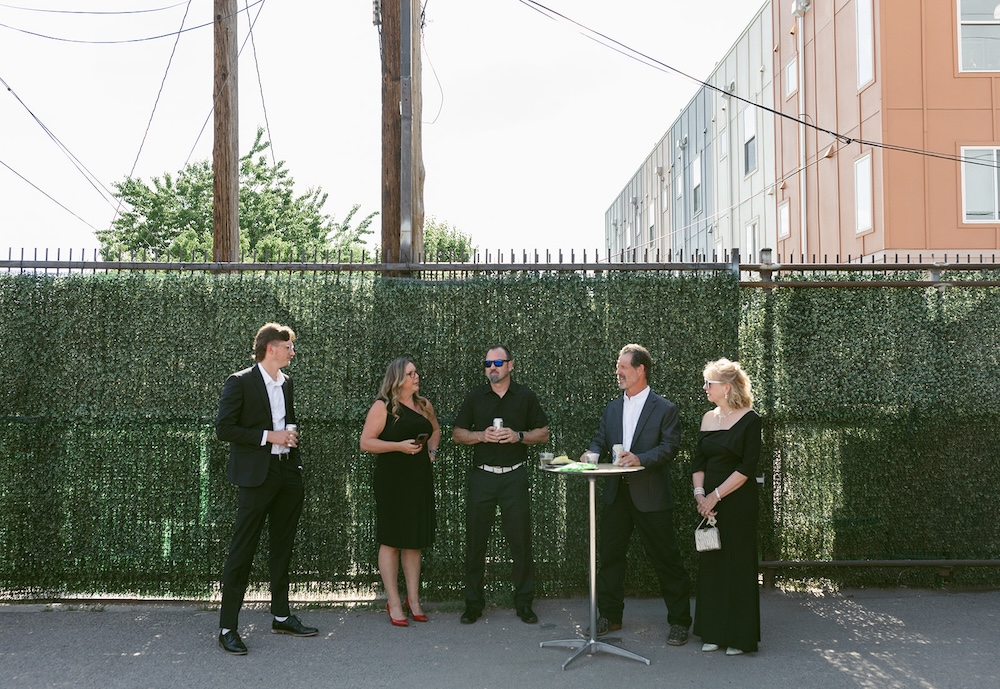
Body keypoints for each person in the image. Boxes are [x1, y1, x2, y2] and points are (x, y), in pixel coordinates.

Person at [215, 323, 318, 655]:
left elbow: (286, 423)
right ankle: (228, 627)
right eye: (288, 346)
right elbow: (224, 429)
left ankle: (281, 615)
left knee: (283, 548)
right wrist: (267, 437)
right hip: (256, 477)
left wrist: (290, 447)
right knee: (242, 550)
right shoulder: (240, 381)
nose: (293, 351)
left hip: (287, 473)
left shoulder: (287, 383)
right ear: (271, 348)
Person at [583, 344, 692, 646]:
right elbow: (600, 440)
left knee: (666, 559)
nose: (618, 372)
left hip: (651, 497)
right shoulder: (612, 407)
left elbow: (670, 448)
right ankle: (610, 615)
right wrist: (590, 452)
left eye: (623, 367)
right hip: (616, 495)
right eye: (618, 367)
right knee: (610, 559)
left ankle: (680, 621)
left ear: (640, 370)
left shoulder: (665, 408)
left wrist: (640, 458)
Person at [453, 345, 549, 625]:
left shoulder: (525, 396)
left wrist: (517, 435)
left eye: (497, 362)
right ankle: (473, 604)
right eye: (487, 363)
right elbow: (458, 434)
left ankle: (524, 603)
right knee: (475, 541)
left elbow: (542, 434)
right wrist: (481, 435)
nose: (492, 367)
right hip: (482, 476)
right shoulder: (475, 397)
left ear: (511, 366)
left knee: (520, 542)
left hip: (514, 476)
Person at [360, 357, 441, 627]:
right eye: (410, 373)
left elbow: (436, 430)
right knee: (392, 540)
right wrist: (399, 447)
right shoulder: (382, 406)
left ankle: (414, 600)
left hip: (419, 478)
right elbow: (366, 443)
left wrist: (431, 452)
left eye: (416, 372)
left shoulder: (423, 404)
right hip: (392, 480)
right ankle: (394, 602)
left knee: (414, 540)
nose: (416, 377)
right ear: (397, 378)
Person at [692, 358, 761, 655]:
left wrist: (714, 496)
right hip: (709, 507)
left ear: (727, 387)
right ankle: (713, 632)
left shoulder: (751, 419)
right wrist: (699, 496)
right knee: (712, 565)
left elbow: (747, 468)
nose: (705, 388)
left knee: (738, 566)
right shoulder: (707, 418)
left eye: (710, 383)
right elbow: (698, 462)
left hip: (737, 504)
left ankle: (738, 637)